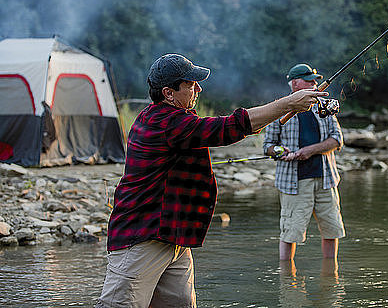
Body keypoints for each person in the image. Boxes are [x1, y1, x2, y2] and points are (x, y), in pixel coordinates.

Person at [96, 54, 327, 308]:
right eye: (190, 84)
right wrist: (290, 104)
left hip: (173, 237)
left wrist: (288, 107)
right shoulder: (165, 122)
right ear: (168, 93)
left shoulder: (171, 119)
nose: (199, 88)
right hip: (140, 239)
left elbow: (230, 127)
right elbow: (228, 128)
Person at [263, 63, 345, 262]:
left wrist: (309, 151)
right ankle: (287, 280)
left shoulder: (322, 105)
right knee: (290, 233)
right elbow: (268, 146)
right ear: (296, 83)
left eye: (316, 80)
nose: (315, 83)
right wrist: (281, 152)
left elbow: (337, 140)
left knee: (332, 230)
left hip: (326, 180)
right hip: (294, 184)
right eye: (310, 80)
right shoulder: (278, 108)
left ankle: (330, 275)